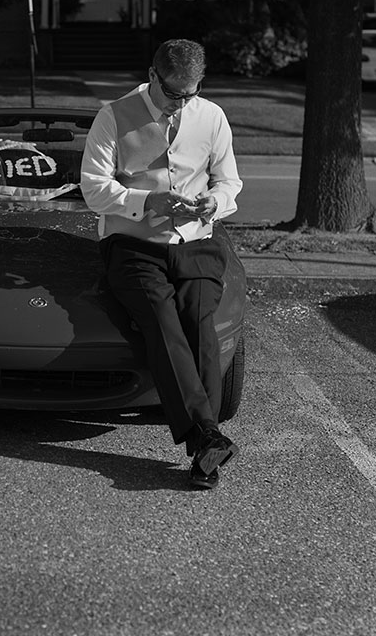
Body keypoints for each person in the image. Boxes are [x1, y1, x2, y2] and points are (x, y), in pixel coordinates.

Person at [80, 39, 243, 489]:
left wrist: (214, 203)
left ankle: (204, 444)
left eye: (190, 94)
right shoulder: (113, 115)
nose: (182, 104)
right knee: (161, 319)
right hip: (132, 244)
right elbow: (93, 188)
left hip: (197, 242)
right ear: (152, 75)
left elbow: (229, 182)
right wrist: (145, 199)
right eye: (174, 94)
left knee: (198, 323)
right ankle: (207, 438)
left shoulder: (211, 117)